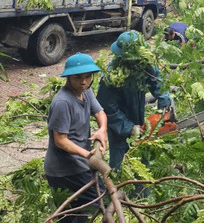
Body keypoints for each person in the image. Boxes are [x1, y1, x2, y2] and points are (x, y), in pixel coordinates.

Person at [44, 53, 107, 223]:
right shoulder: (62, 103)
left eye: (88, 76)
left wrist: (102, 130)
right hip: (65, 170)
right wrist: (88, 155)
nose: (84, 81)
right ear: (68, 78)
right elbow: (61, 140)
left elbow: (100, 112)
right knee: (97, 199)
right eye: (77, 77)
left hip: (79, 164)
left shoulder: (86, 92)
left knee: (72, 214)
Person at [97, 30, 171, 169]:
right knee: (121, 165)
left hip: (139, 116)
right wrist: (128, 127)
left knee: (142, 161)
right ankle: (118, 188)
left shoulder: (144, 65)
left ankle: (143, 189)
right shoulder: (111, 77)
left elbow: (158, 82)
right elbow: (108, 109)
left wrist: (165, 104)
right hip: (119, 127)